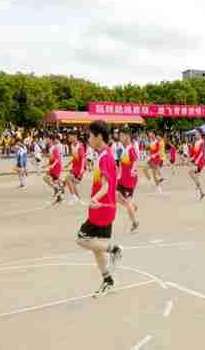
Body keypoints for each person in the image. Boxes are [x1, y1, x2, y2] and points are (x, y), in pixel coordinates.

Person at [75, 120, 123, 298]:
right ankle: (108, 280)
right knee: (97, 247)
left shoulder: (105, 156)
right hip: (105, 207)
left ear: (98, 136)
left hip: (101, 209)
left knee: (81, 239)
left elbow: (106, 184)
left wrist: (95, 198)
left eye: (90, 135)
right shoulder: (105, 154)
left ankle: (115, 250)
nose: (88, 138)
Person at [117, 129, 140, 233]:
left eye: (121, 136)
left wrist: (132, 169)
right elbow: (121, 164)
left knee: (127, 201)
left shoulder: (131, 148)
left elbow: (135, 160)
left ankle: (135, 222)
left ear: (126, 136)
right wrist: (118, 175)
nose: (120, 138)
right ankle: (132, 206)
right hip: (122, 179)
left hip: (129, 180)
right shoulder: (123, 149)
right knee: (115, 196)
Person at [64, 132, 86, 205]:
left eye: (70, 137)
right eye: (68, 137)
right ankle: (79, 199)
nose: (68, 138)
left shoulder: (80, 146)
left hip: (79, 168)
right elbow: (74, 157)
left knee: (67, 178)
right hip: (74, 167)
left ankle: (73, 196)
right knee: (72, 183)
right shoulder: (72, 145)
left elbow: (83, 158)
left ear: (75, 137)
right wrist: (68, 164)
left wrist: (82, 170)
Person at [43, 134, 65, 204]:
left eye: (46, 139)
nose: (45, 140)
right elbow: (51, 159)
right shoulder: (50, 148)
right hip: (53, 166)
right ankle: (59, 196)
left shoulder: (54, 147)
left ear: (50, 139)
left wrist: (52, 165)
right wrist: (47, 165)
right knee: (52, 180)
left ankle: (57, 189)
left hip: (56, 167)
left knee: (46, 178)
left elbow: (57, 158)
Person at [188, 128, 205, 200]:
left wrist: (196, 161)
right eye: (195, 133)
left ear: (200, 133)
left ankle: (199, 189)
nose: (195, 134)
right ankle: (201, 192)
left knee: (191, 172)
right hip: (196, 161)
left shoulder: (202, 142)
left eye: (196, 132)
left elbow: (201, 153)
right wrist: (191, 158)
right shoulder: (196, 142)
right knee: (196, 177)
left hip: (200, 162)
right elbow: (194, 153)